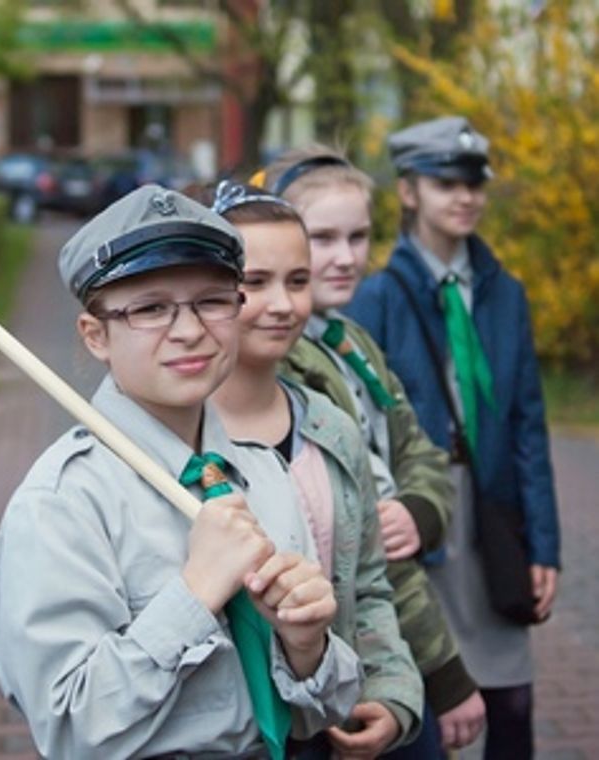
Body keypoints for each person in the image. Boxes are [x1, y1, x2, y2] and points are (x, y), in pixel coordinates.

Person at [0, 185, 363, 759]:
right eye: (151, 308)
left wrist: (307, 647)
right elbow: (68, 728)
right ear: (96, 335)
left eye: (212, 301)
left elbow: (320, 713)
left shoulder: (261, 471)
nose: (189, 331)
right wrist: (195, 593)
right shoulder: (64, 502)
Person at [344, 116, 561, 759]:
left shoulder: (505, 293)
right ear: (409, 192)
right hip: (422, 513)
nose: (465, 197)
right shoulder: (375, 296)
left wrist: (542, 541)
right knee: (430, 698)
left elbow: (527, 421)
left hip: (491, 513)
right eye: (446, 183)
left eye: (474, 183)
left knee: (513, 698)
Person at [259, 146, 486, 757]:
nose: (346, 257)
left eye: (358, 237)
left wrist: (420, 508)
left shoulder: (350, 338)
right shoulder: (283, 363)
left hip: (389, 637)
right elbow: (372, 547)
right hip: (354, 644)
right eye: (323, 238)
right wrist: (448, 676)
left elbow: (420, 449)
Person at [205, 182, 422, 758]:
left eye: (297, 281)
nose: (283, 304)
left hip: (330, 729)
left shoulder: (331, 428)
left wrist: (393, 693)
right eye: (254, 282)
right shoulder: (177, 442)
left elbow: (369, 585)